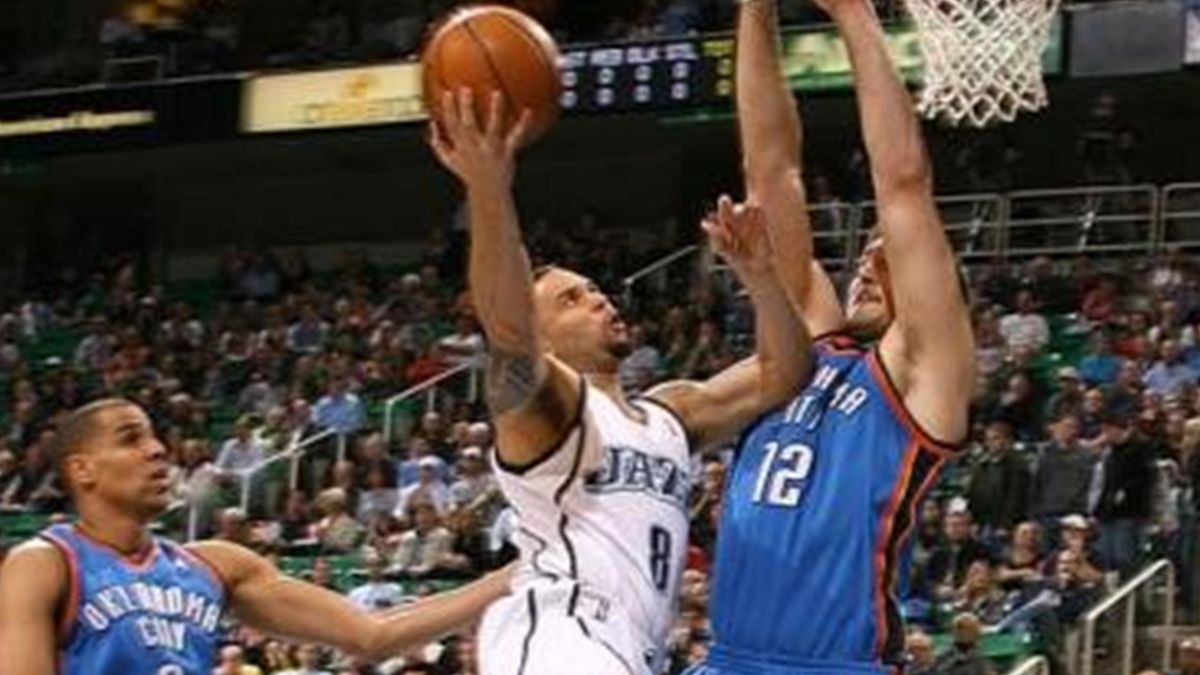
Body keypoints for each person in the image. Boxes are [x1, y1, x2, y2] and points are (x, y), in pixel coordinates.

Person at [429, 82, 809, 674]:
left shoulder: (670, 413)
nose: (599, 299)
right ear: (543, 336)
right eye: (572, 300)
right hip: (562, 638)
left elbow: (784, 371)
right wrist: (488, 189)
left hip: (630, 653)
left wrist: (761, 278)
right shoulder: (545, 409)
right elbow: (506, 324)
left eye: (595, 289)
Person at [690, 0, 974, 672]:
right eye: (867, 256)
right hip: (725, 659)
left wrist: (851, 14)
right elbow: (770, 170)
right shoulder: (811, 345)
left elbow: (903, 184)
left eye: (890, 258)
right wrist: (755, 12)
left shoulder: (919, 377)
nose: (871, 264)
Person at [0, 398, 512, 674]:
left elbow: (371, 634)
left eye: (155, 435)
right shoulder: (45, 563)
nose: (157, 449)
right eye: (131, 438)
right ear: (82, 469)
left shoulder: (215, 565)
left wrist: (511, 578)